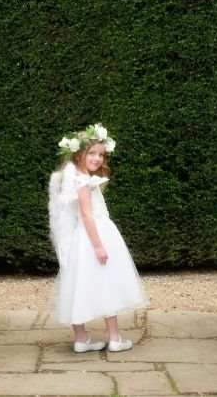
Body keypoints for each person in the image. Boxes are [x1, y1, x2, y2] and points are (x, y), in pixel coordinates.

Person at [48, 123, 148, 353]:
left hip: (82, 238)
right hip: (96, 235)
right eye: (92, 153)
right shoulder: (83, 181)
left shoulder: (75, 177)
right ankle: (114, 338)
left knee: (78, 285)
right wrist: (99, 246)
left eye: (101, 154)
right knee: (106, 282)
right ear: (78, 154)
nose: (97, 158)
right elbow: (86, 215)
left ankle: (82, 339)